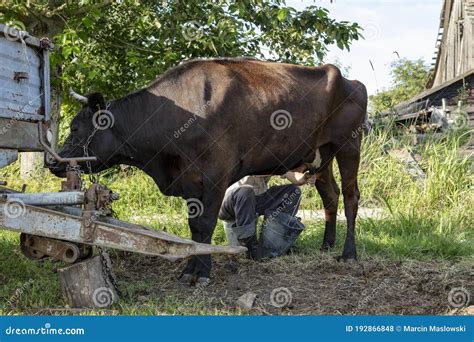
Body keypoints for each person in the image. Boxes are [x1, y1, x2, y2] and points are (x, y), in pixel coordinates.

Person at [218, 166, 317, 260]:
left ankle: (273, 243)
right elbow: (256, 171)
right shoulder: (247, 152)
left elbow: (293, 177)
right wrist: (278, 168)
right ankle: (251, 249)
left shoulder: (271, 157)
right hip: (231, 203)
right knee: (246, 192)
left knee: (293, 191)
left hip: (257, 199)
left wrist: (305, 177)